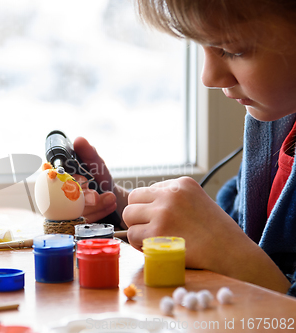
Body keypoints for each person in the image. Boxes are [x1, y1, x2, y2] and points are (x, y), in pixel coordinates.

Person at [74, 0, 296, 296]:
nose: (208, 78)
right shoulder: (277, 128)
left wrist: (232, 255)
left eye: (233, 50)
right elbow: (237, 233)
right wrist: (123, 209)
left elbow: (237, 252)